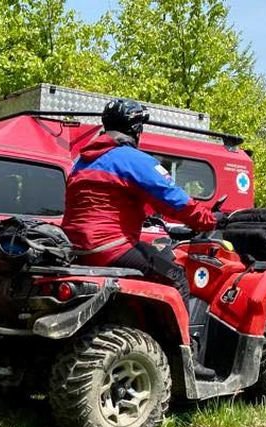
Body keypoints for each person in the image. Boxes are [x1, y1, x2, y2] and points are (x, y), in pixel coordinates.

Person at [62, 98, 219, 377]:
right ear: (136, 128)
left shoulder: (80, 161)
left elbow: (107, 201)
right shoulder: (134, 159)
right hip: (110, 246)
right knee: (175, 276)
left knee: (149, 256)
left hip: (77, 248)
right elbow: (174, 200)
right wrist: (209, 219)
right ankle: (185, 360)